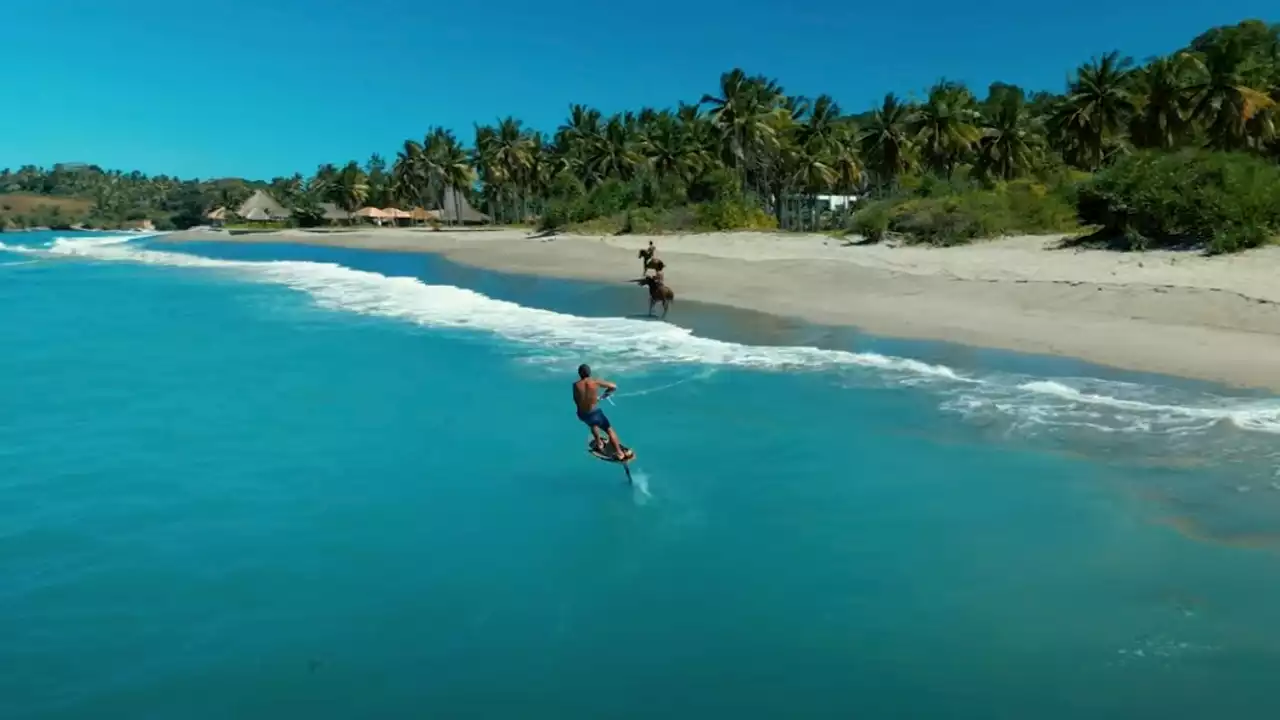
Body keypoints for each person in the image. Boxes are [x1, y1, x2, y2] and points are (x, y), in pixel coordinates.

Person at [573, 364, 627, 460]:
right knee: (609, 430)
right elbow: (614, 387)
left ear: (579, 373)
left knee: (593, 425)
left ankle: (599, 443)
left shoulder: (575, 385)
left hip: (583, 414)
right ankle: (619, 453)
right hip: (595, 413)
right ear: (589, 373)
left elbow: (576, 400)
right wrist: (602, 397)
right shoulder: (595, 382)